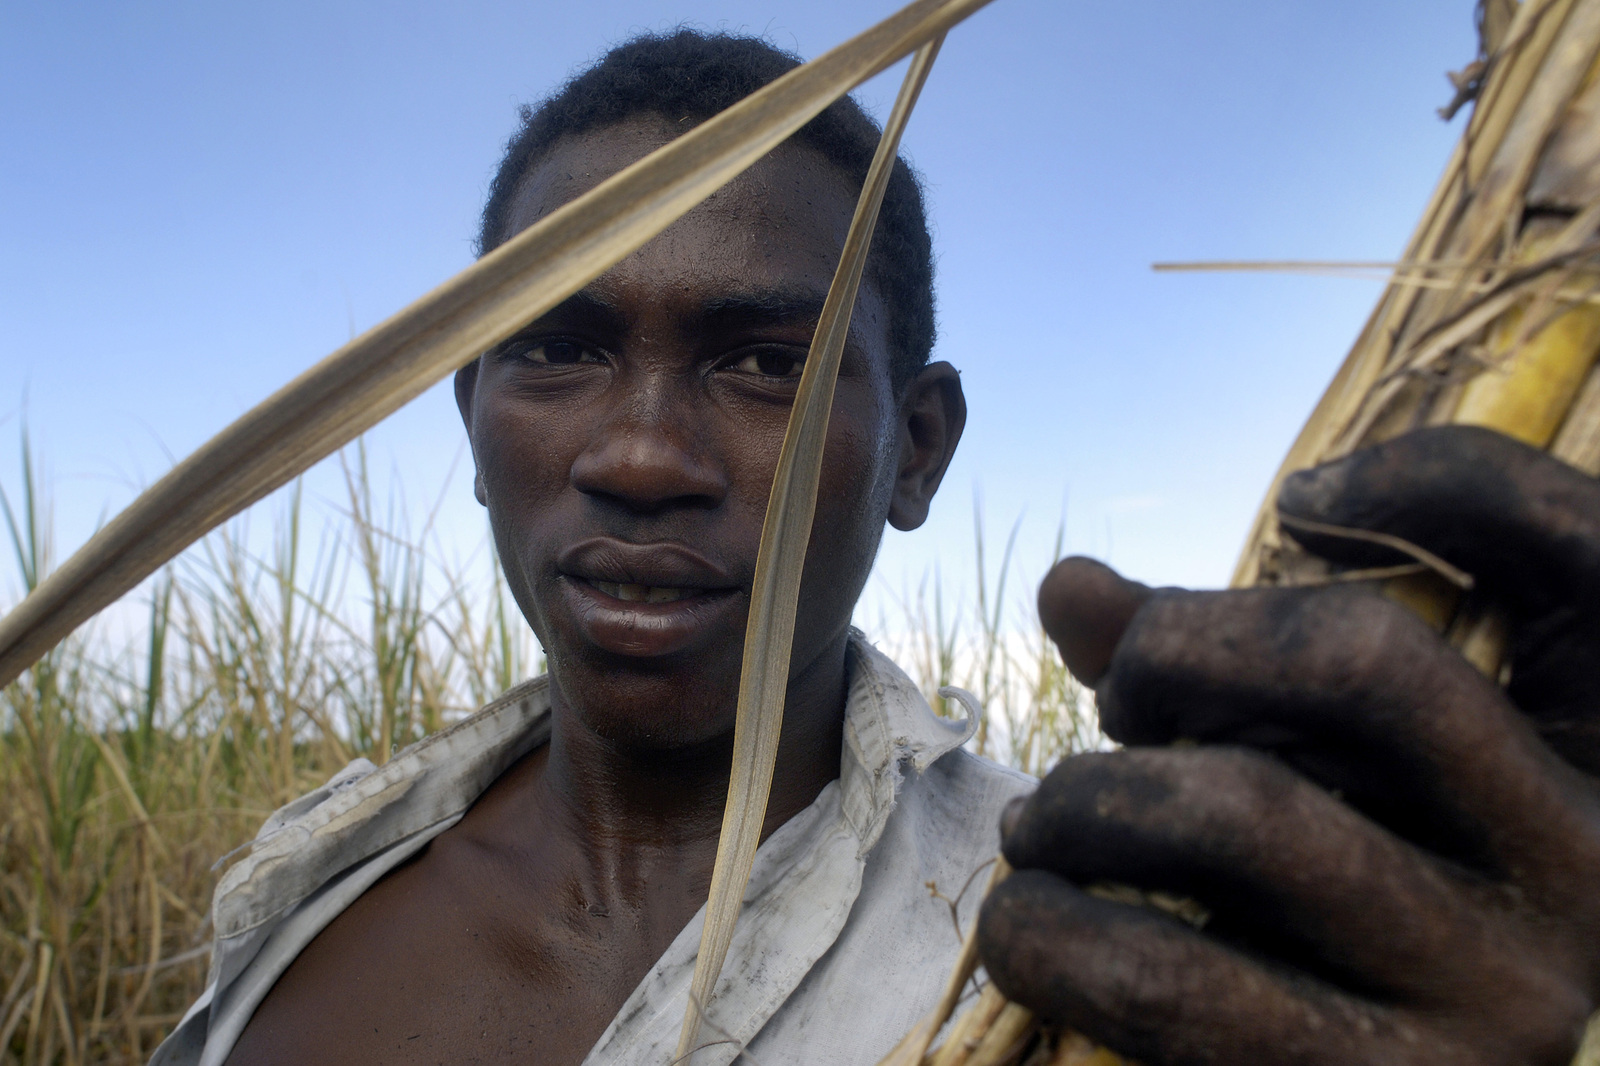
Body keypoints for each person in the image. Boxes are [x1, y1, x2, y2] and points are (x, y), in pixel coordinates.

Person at [149, 29, 1600, 1066]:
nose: (639, 453)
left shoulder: (1087, 942)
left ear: (917, 447)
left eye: (763, 363)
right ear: (473, 422)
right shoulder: (312, 880)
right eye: (561, 348)